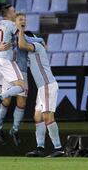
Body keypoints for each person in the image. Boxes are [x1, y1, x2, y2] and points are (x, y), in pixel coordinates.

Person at [17, 28, 64, 157]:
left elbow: (22, 44)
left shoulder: (36, 46)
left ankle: (59, 148)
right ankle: (40, 148)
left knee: (47, 116)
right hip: (42, 88)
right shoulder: (28, 51)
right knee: (37, 117)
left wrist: (20, 30)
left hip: (48, 85)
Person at [0, 13, 30, 146]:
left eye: (24, 19)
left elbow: (29, 45)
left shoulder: (27, 35)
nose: (22, 21)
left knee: (22, 102)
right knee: (6, 101)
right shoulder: (10, 33)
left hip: (22, 71)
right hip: (8, 69)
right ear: (14, 21)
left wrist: (39, 41)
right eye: (20, 19)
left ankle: (15, 129)